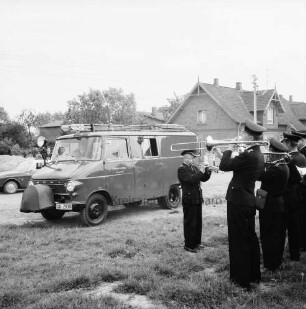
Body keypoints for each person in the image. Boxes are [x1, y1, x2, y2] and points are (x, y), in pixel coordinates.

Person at [214, 119, 266, 290]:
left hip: (238, 202)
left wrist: (229, 147)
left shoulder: (248, 155)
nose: (241, 135)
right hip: (247, 201)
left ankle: (241, 279)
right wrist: (222, 154)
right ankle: (253, 275)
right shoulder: (257, 154)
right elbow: (234, 166)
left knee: (239, 240)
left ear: (251, 138)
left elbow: (225, 166)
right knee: (250, 238)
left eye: (244, 133)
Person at [258, 138, 289, 272]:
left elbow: (259, 175)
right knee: (278, 234)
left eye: (270, 151)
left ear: (274, 153)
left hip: (270, 205)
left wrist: (259, 159)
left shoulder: (276, 169)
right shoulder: (283, 166)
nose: (268, 153)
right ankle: (277, 262)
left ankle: (270, 265)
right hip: (278, 203)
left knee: (268, 235)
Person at [177, 149, 212, 253]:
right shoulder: (182, 169)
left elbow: (203, 179)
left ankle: (197, 243)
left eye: (193, 158)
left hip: (197, 197)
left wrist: (208, 171)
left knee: (197, 222)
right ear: (186, 158)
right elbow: (191, 180)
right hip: (189, 199)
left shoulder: (194, 167)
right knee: (190, 222)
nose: (192, 160)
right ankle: (189, 245)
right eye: (191, 158)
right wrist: (201, 171)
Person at [282, 132, 306, 260]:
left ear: (287, 143)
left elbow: (287, 178)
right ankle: (297, 250)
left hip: (290, 195)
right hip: (301, 194)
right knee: (298, 224)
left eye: (283, 142)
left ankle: (292, 251)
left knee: (291, 225)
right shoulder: (302, 157)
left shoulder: (289, 159)